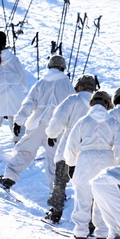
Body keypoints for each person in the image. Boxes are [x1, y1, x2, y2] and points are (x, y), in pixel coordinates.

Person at [0, 54, 73, 192]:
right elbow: (70, 109)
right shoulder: (68, 85)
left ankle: (9, 178)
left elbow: (29, 103)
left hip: (38, 124)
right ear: (63, 68)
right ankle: (57, 192)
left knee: (25, 151)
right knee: (54, 160)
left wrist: (18, 121)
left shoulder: (41, 83)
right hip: (57, 128)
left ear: (49, 66)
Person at [63, 90, 120, 239]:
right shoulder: (113, 122)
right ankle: (101, 237)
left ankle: (80, 236)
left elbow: (71, 145)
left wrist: (71, 164)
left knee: (82, 200)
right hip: (107, 160)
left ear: (91, 103)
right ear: (107, 105)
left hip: (85, 160)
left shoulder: (83, 121)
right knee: (102, 201)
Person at [43, 74, 99, 223]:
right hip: (90, 153)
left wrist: (51, 134)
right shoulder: (99, 106)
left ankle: (55, 213)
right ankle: (92, 223)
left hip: (68, 150)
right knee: (90, 189)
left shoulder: (72, 100)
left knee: (60, 182)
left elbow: (58, 119)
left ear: (79, 87)